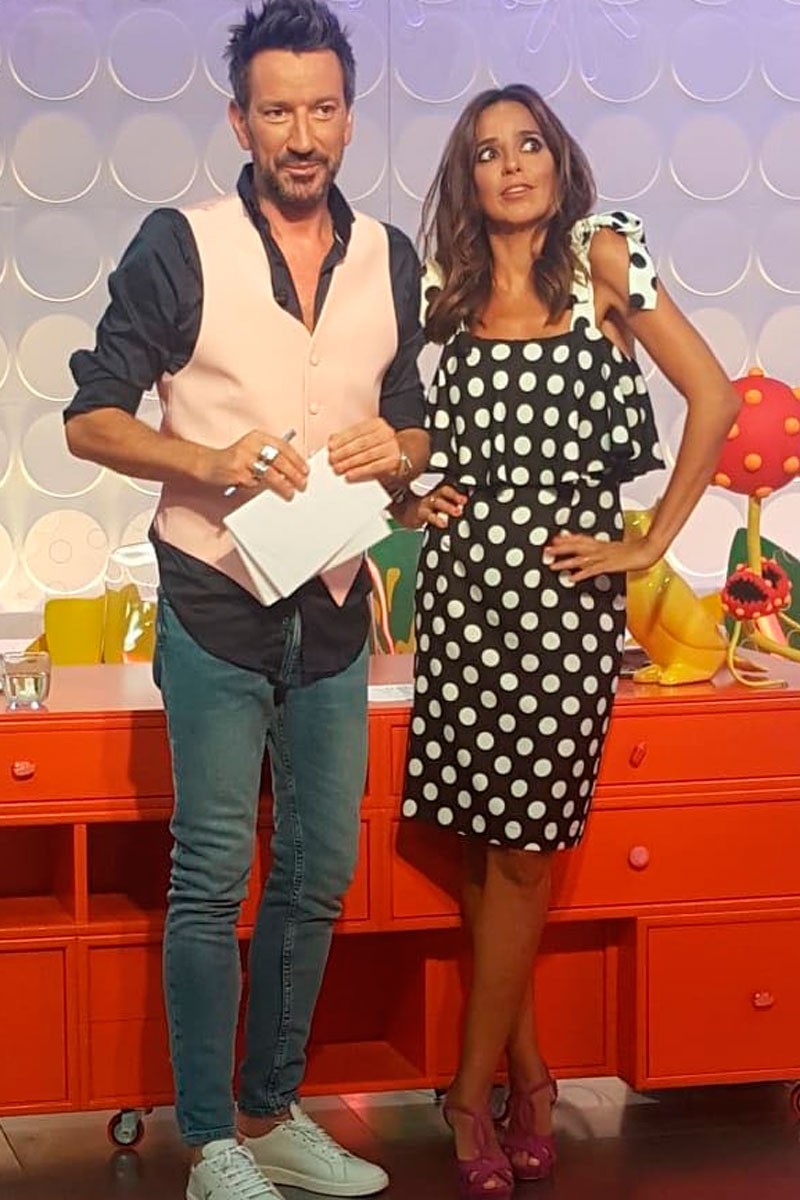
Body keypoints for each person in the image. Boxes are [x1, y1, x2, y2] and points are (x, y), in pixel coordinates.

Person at [64, 3, 428, 1198]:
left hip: (330, 607)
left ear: (347, 117)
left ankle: (272, 1112)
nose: (301, 134)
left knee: (318, 872)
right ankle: (209, 1139)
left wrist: (400, 449)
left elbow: (412, 418)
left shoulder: (389, 256)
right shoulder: (181, 244)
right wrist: (208, 460)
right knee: (212, 872)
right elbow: (91, 418)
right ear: (240, 121)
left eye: (321, 108)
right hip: (213, 603)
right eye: (277, 111)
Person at [394, 84, 740, 1198]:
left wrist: (650, 545)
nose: (511, 166)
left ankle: (466, 1092)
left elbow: (713, 396)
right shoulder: (443, 288)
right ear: (467, 175)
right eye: (488, 151)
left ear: (558, 159)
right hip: (461, 595)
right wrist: (407, 500)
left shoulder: (603, 258)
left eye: (529, 144)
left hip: (560, 604)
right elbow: (397, 430)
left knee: (524, 850)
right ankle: (531, 1076)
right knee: (479, 849)